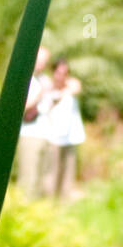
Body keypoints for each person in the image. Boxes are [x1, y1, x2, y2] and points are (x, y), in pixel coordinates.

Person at [41, 59, 84, 200]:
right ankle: (49, 203)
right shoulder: (47, 89)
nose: (61, 76)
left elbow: (76, 86)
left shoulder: (70, 87)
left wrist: (60, 93)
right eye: (59, 73)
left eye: (65, 73)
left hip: (71, 138)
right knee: (51, 175)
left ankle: (63, 204)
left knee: (68, 175)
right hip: (53, 138)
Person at [17, 46, 53, 197]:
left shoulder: (45, 79)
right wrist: (40, 93)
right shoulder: (24, 79)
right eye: (39, 60)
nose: (41, 64)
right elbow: (21, 109)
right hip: (29, 134)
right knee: (28, 179)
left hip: (46, 134)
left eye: (45, 61)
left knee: (41, 180)